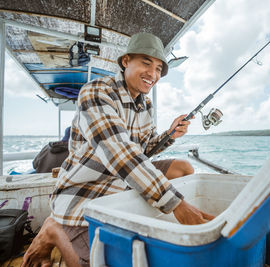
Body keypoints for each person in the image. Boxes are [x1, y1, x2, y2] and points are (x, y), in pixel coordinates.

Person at [22, 32, 214, 267]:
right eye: (146, 63)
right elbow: (119, 153)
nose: (152, 74)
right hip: (86, 190)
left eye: (158, 69)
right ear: (125, 61)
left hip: (123, 182)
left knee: (184, 168)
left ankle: (137, 205)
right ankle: (53, 228)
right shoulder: (96, 92)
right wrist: (177, 205)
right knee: (95, 263)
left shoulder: (146, 105)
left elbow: (143, 149)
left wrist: (169, 134)